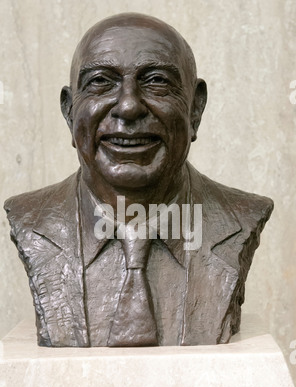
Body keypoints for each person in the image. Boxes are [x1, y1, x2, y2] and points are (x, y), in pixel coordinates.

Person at [4, 13, 273, 347]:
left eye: (156, 81)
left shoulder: (240, 217)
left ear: (195, 109)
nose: (129, 106)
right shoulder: (32, 221)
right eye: (101, 81)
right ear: (70, 111)